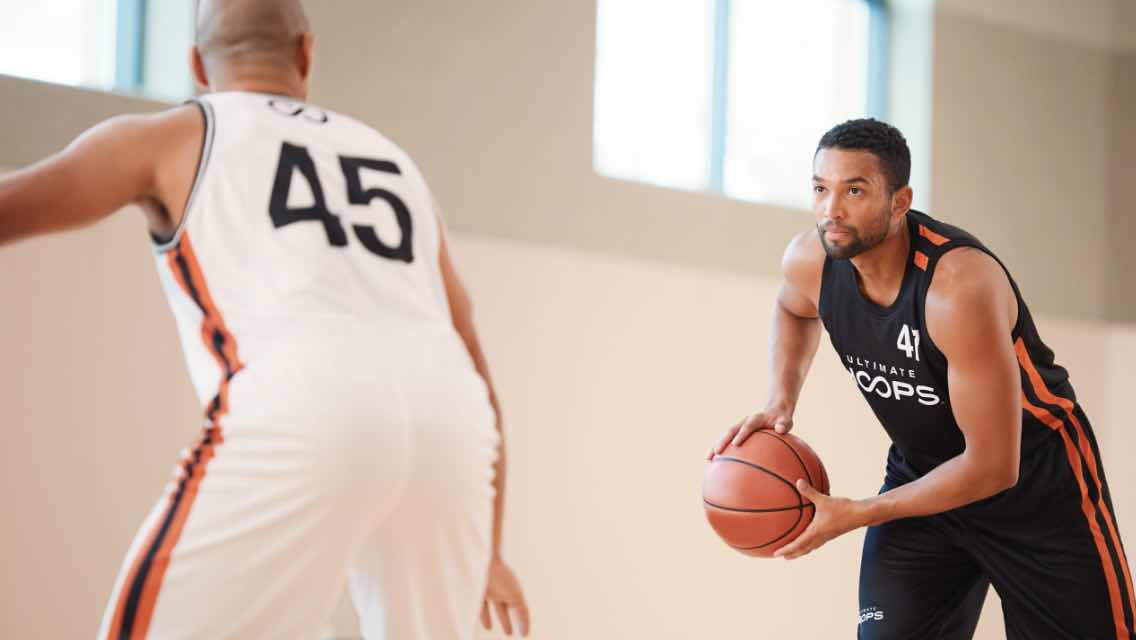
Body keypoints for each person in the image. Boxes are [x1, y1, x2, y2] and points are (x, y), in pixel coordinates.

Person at [0, 1, 529, 637]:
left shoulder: (174, 135)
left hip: (303, 410)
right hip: (453, 431)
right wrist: (489, 550)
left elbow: (15, 204)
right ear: (306, 54)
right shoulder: (392, 161)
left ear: (197, 65)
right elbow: (469, 350)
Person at [709, 118, 1134, 639]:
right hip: (922, 481)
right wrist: (781, 398)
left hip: (1037, 489)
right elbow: (792, 309)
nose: (831, 209)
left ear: (899, 202)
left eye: (854, 190)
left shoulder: (957, 287)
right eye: (820, 188)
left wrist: (860, 512)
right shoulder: (810, 262)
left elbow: (993, 466)